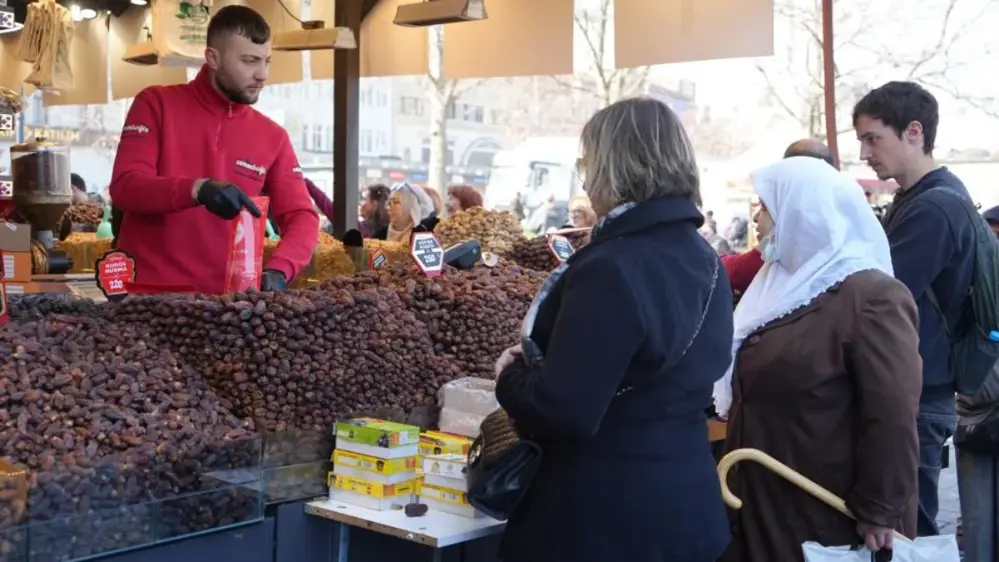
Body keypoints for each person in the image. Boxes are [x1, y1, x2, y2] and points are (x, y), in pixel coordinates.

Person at [492, 97, 732, 562]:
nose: (585, 179)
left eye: (588, 163)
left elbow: (567, 411)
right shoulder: (708, 262)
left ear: (614, 165)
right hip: (687, 513)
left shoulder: (611, 266)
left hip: (603, 522)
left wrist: (511, 379)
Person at [717, 157, 921, 561]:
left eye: (766, 208)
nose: (757, 221)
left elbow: (893, 413)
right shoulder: (777, 283)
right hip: (764, 495)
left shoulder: (871, 296)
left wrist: (880, 509)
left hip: (826, 509)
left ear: (803, 213)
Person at [108, 5, 318, 294]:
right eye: (249, 61)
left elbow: (302, 217)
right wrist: (197, 190)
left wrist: (280, 268)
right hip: (148, 298)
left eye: (267, 61)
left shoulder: (273, 137)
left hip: (228, 308)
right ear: (213, 58)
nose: (262, 74)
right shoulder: (155, 104)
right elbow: (125, 187)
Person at [853, 81, 975, 536]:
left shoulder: (934, 208)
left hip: (920, 395)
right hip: (920, 389)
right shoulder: (922, 199)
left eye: (872, 138)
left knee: (909, 535)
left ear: (914, 132)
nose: (865, 153)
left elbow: (881, 296)